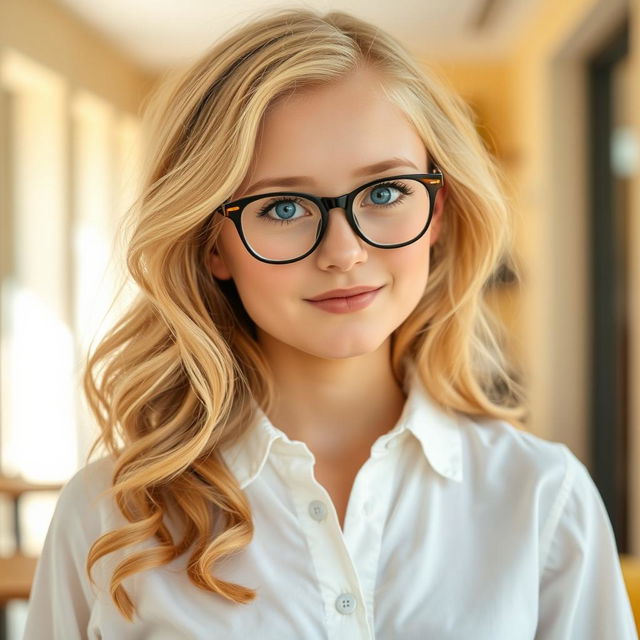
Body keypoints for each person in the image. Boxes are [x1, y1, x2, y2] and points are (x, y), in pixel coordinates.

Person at [23, 8, 637, 640]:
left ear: (440, 212)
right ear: (213, 245)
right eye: (283, 206)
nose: (344, 251)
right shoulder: (108, 516)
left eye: (386, 193)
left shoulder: (543, 497)